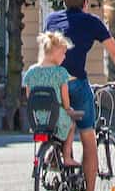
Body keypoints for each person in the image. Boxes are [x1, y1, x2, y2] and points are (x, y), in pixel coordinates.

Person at [43, 0, 115, 191]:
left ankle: (56, 152)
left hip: (49, 82)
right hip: (75, 82)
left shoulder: (51, 19)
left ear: (64, 3)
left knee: (63, 117)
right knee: (89, 138)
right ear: (85, 4)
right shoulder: (91, 21)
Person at [20, 31, 79, 162]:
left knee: (50, 130)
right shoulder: (60, 73)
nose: (64, 57)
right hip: (56, 117)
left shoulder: (31, 72)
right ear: (56, 53)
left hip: (38, 119)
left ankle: (49, 156)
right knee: (71, 122)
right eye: (63, 54)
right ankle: (67, 157)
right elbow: (65, 98)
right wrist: (69, 109)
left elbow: (30, 96)